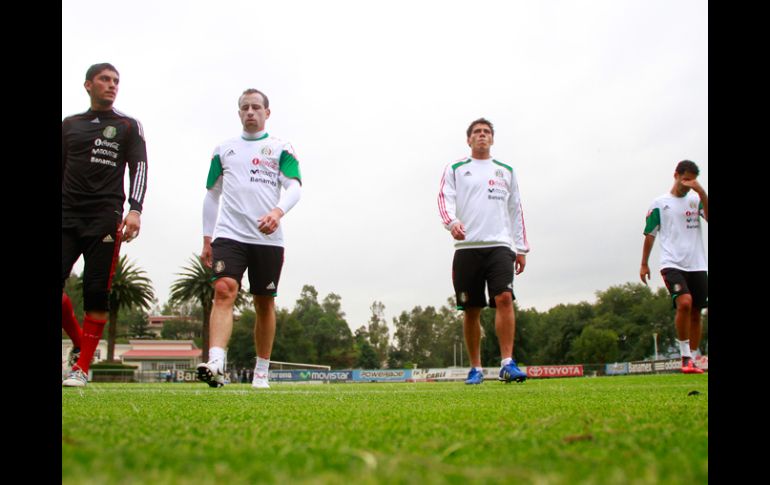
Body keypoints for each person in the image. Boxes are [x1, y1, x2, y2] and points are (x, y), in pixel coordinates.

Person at [196, 88, 302, 390]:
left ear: (267, 113)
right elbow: (212, 195)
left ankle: (261, 371)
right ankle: (216, 362)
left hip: (268, 238)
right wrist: (207, 238)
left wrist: (278, 212)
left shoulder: (281, 147)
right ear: (239, 113)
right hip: (229, 235)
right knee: (223, 289)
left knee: (264, 302)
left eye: (256, 107)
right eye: (245, 108)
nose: (250, 112)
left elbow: (294, 187)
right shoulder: (223, 150)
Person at [61, 63, 148, 387]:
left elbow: (139, 169)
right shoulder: (70, 125)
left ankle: (81, 369)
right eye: (105, 80)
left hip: (105, 219)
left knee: (96, 292)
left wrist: (135, 210)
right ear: (88, 85)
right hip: (66, 215)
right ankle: (83, 346)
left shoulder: (128, 126)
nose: (112, 85)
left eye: (116, 81)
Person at [437, 118, 530, 385]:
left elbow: (516, 209)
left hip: (500, 245)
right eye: (476, 132)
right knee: (472, 309)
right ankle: (475, 368)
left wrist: (521, 247)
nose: (481, 135)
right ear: (468, 140)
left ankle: (507, 363)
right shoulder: (456, 168)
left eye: (486, 132)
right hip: (467, 247)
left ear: (492, 139)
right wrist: (452, 223)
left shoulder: (506, 171)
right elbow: (445, 198)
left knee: (504, 298)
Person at [640, 160, 708, 374]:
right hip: (672, 263)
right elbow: (650, 234)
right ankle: (685, 356)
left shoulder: (696, 201)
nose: (688, 184)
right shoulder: (660, 203)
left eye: (692, 180)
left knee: (697, 311)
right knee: (685, 303)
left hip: (697, 263)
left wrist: (702, 192)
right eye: (685, 179)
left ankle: (695, 358)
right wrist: (644, 263)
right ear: (676, 175)